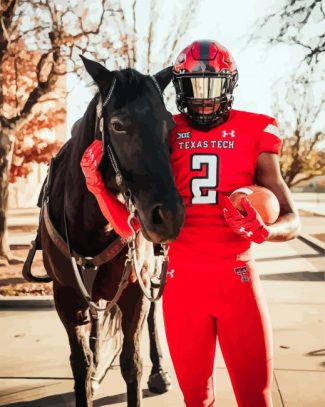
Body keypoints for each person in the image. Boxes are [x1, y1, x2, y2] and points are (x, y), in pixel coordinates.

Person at [81, 39, 300, 407]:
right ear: (178, 89)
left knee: (256, 398)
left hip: (238, 282)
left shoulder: (257, 129)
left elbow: (291, 219)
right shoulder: (165, 130)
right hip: (183, 288)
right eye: (193, 88)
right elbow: (131, 228)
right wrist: (98, 189)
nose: (203, 99)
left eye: (211, 87)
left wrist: (267, 230)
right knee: (196, 399)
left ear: (229, 85)